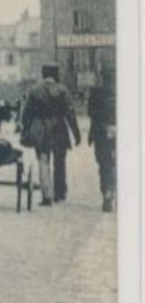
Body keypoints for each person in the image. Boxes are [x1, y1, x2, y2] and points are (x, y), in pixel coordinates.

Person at [20, 64, 81, 206]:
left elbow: (26, 114)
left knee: (43, 160)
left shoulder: (34, 91)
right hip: (59, 128)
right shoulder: (63, 91)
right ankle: (59, 194)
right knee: (60, 161)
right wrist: (76, 133)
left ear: (43, 74)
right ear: (56, 75)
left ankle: (46, 195)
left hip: (40, 129)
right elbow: (70, 114)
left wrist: (26, 128)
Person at [89, 66, 117, 213]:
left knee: (104, 164)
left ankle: (106, 192)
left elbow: (91, 113)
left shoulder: (96, 92)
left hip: (101, 132)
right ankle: (113, 191)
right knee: (117, 164)